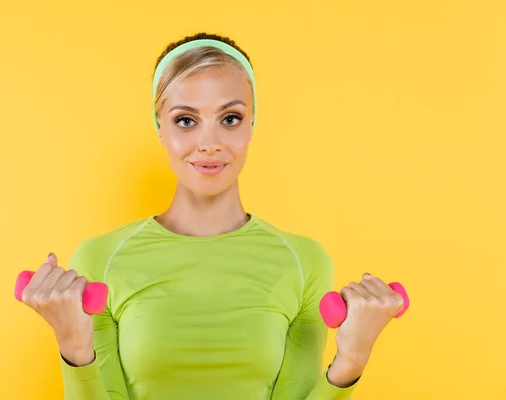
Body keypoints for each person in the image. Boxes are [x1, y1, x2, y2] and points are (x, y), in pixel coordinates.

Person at [21, 32, 405, 399]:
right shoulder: (100, 259)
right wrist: (74, 348)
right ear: (160, 128)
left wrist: (351, 361)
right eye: (186, 120)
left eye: (230, 119)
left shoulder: (305, 262)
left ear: (252, 125)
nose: (209, 145)